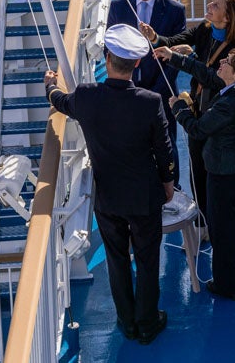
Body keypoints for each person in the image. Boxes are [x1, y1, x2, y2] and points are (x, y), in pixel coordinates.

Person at [44, 25, 175, 345]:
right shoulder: (150, 101)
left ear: (106, 57)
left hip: (109, 197)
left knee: (117, 259)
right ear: (137, 64)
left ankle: (127, 321)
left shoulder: (87, 96)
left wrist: (49, 85)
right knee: (147, 260)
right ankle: (147, 322)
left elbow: (60, 101)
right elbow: (165, 150)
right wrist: (168, 182)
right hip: (145, 196)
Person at [147, 0, 235, 222]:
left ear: (227, 18)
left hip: (219, 115)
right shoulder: (206, 30)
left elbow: (214, 78)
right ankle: (204, 219)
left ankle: (212, 219)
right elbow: (175, 41)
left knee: (211, 171)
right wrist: (156, 38)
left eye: (216, 5)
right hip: (200, 109)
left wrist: (182, 59)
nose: (209, 5)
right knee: (196, 167)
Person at [170, 48, 235, 299]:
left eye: (228, 62)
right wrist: (179, 59)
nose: (221, 63)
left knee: (222, 229)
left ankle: (226, 285)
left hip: (224, 173)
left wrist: (180, 109)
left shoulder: (229, 104)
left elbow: (198, 130)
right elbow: (210, 76)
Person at [108, 0, 188, 179]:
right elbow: (109, 48)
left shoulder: (174, 10)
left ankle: (174, 188)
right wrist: (126, 86)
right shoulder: (119, 7)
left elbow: (176, 55)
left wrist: (157, 92)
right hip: (127, 89)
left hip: (160, 91)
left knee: (166, 143)